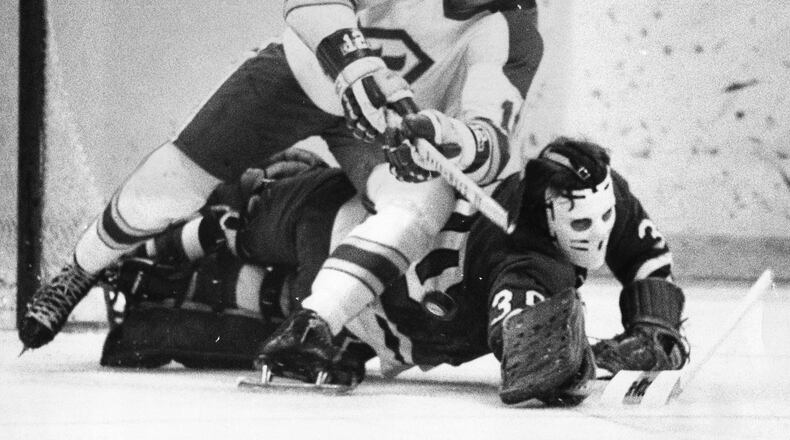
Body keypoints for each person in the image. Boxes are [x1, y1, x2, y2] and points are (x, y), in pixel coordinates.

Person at [19, 0, 544, 351]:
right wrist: (351, 62)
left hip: (385, 120)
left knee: (423, 202)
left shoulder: (512, 27)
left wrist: (443, 137)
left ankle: (313, 325)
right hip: (303, 75)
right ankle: (80, 266)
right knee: (166, 192)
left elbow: (487, 138)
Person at [97, 138, 690, 406]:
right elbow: (530, 360)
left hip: (345, 238)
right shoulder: (531, 265)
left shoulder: (573, 200)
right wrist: (611, 353)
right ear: (548, 210)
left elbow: (642, 257)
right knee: (261, 251)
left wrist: (652, 326)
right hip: (365, 299)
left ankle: (149, 264)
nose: (600, 232)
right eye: (583, 225)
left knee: (252, 224)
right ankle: (153, 287)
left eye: (605, 215)